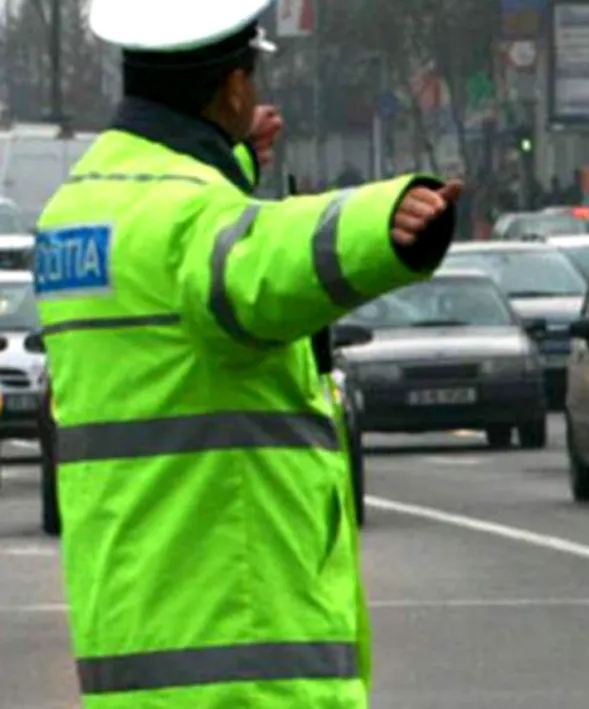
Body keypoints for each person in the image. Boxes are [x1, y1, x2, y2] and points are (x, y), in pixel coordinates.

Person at [33, 1, 462, 707]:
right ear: (234, 88)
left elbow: (183, 263)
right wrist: (389, 220)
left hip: (137, 641)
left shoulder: (77, 208)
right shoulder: (194, 219)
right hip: (240, 662)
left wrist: (224, 158)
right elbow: (262, 259)